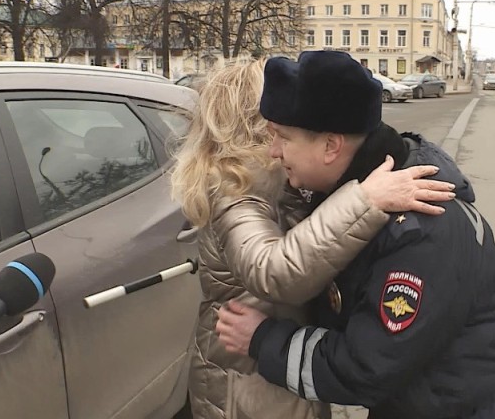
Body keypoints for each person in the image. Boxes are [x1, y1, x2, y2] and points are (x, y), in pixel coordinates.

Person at [216, 51, 495, 419]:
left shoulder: (421, 231)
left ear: (331, 146)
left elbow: (365, 369)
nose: (273, 151)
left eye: (282, 137)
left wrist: (262, 340)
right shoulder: (352, 195)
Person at [170, 59, 455, 419]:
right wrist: (366, 200)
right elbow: (275, 270)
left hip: (273, 373)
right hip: (246, 390)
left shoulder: (271, 182)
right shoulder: (235, 192)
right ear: (258, 124)